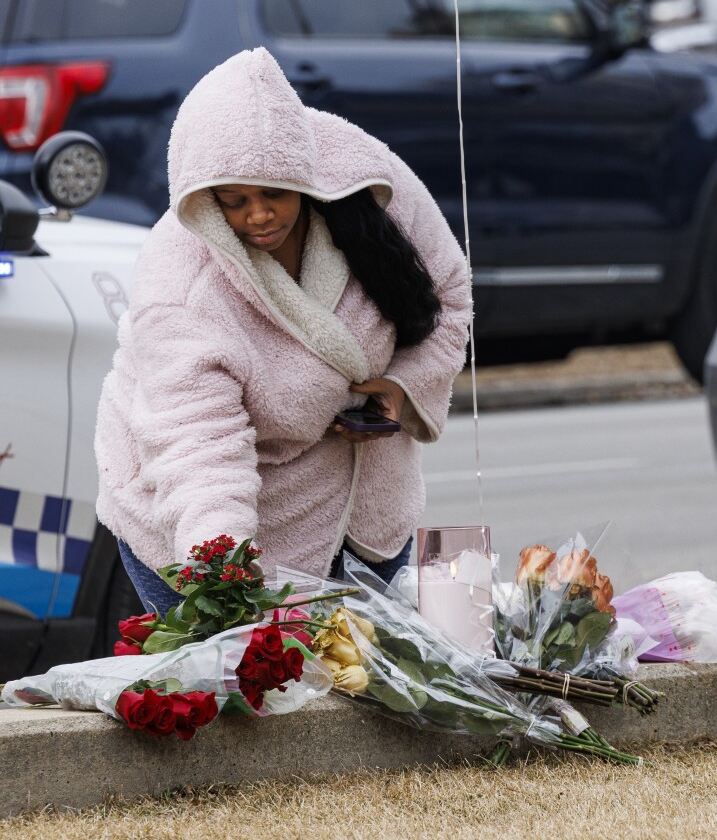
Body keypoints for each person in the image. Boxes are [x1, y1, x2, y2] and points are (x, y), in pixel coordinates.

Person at [95, 48, 472, 616]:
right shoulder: (179, 289)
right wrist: (221, 575)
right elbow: (198, 448)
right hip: (209, 506)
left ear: (305, 174)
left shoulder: (368, 181)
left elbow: (448, 291)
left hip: (368, 506)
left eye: (275, 193)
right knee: (263, 696)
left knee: (385, 689)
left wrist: (404, 386)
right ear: (206, 196)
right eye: (235, 200)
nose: (259, 216)